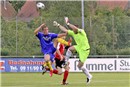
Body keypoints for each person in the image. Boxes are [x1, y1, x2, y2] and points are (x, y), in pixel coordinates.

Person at [53, 17, 93, 84]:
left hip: (85, 50)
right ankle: (65, 61)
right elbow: (65, 30)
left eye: (74, 29)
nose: (73, 31)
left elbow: (75, 28)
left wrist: (68, 23)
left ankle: (89, 76)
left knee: (79, 66)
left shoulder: (82, 31)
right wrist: (58, 25)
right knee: (70, 49)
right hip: (79, 47)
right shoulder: (73, 32)